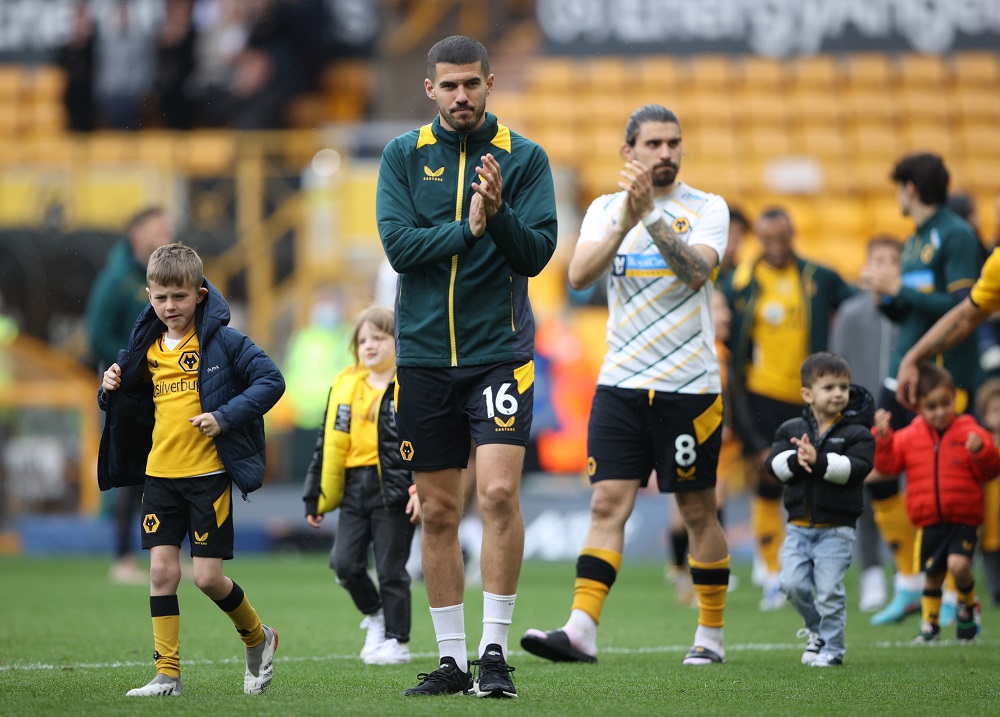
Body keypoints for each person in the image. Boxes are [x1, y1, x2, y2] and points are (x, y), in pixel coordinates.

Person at [375, 35, 557, 698]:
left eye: (471, 84)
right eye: (449, 86)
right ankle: (453, 660)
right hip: (423, 358)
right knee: (443, 509)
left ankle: (495, 651)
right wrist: (468, 230)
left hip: (498, 354)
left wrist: (499, 213)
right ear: (429, 89)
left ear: (489, 84)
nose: (461, 97)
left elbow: (536, 253)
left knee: (501, 494)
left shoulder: (525, 158)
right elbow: (399, 247)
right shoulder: (402, 155)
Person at [520, 103, 731, 666]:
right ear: (628, 152)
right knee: (607, 503)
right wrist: (627, 218)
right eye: (654, 144)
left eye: (673, 143)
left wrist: (654, 219)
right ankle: (581, 630)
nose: (665, 153)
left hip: (689, 386)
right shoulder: (604, 210)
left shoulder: (708, 208)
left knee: (696, 509)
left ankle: (709, 636)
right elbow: (579, 275)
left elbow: (696, 273)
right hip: (620, 385)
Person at [97, 243, 284, 696]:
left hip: (207, 479)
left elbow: (271, 380)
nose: (169, 307)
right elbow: (126, 403)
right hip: (159, 476)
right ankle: (167, 675)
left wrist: (224, 417)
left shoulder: (224, 341)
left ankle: (260, 638)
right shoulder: (147, 346)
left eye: (179, 297)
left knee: (206, 578)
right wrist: (108, 388)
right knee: (161, 573)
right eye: (160, 298)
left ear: (200, 294)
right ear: (149, 295)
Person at [867, 152, 985, 625]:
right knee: (878, 471)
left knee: (950, 480)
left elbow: (965, 307)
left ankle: (954, 589)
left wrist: (902, 288)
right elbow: (915, 311)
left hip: (940, 379)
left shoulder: (955, 235)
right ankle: (910, 580)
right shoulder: (914, 241)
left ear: (910, 187)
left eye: (898, 187)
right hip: (904, 372)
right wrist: (888, 295)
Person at [721, 206, 856, 610]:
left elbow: (858, 304)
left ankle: (809, 567)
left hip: (807, 395)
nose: (776, 247)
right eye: (768, 240)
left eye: (782, 239)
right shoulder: (741, 283)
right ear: (758, 239)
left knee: (808, 478)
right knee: (767, 477)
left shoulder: (818, 277)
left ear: (793, 233)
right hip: (759, 395)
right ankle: (771, 572)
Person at [303, 305, 420, 666]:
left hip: (394, 490)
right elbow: (327, 443)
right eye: (363, 339)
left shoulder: (411, 386)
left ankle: (398, 641)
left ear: (397, 341)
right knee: (345, 564)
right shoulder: (345, 385)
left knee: (390, 569)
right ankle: (376, 616)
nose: (369, 346)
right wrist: (314, 497)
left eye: (379, 338)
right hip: (354, 488)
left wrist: (419, 487)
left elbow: (428, 439)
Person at [873, 362, 1000, 642]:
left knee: (958, 565)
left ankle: (966, 606)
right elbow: (888, 464)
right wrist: (882, 439)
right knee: (932, 575)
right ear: (918, 406)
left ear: (954, 398)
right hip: (928, 519)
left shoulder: (970, 430)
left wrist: (982, 452)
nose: (940, 411)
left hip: (964, 518)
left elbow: (991, 470)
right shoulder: (909, 436)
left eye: (945, 403)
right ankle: (930, 625)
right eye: (932, 406)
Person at [766, 352, 875, 667]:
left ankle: (832, 649)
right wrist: (796, 460)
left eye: (843, 386)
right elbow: (773, 466)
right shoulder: (791, 428)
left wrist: (819, 460)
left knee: (828, 591)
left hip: (836, 531)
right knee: (791, 585)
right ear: (807, 394)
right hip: (798, 527)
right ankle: (817, 630)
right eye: (829, 387)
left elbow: (856, 469)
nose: (838, 393)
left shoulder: (857, 433)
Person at [85, 206, 175, 584]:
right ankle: (122, 557)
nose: (168, 232)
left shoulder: (162, 278)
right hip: (128, 391)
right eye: (159, 228)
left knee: (167, 469)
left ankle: (164, 554)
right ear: (139, 235)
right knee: (130, 476)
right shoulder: (116, 279)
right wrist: (133, 360)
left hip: (164, 390)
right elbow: (97, 336)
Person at [829, 235, 901, 613]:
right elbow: (839, 365)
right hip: (861, 417)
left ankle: (909, 571)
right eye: (877, 259)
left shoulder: (909, 311)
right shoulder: (852, 312)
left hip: (904, 416)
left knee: (904, 494)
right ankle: (872, 571)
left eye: (892, 260)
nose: (883, 266)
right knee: (867, 495)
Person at [974, 378, 1000, 606]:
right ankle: (995, 592)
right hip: (989, 515)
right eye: (996, 410)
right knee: (990, 550)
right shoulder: (983, 447)